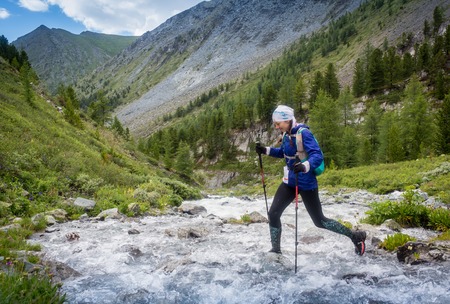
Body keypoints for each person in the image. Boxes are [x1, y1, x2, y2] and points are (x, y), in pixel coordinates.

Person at [255, 105, 366, 255]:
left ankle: (355, 237)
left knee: (319, 221)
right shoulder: (286, 135)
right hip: (290, 182)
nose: (276, 126)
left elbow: (317, 156)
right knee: (273, 213)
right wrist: (265, 150)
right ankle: (276, 250)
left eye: (278, 123)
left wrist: (304, 166)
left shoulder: (304, 133)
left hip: (307, 183)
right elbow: (283, 153)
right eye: (275, 123)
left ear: (287, 120)